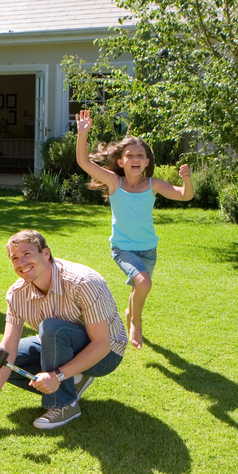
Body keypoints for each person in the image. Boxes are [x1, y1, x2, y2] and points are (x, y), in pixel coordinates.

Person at [0, 230, 127, 430]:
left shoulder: (83, 282)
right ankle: (72, 380)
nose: (21, 262)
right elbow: (7, 347)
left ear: (46, 253)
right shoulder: (16, 294)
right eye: (15, 258)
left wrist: (56, 376)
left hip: (107, 353)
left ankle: (64, 405)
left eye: (27, 254)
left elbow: (102, 343)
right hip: (58, 341)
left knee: (52, 329)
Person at [74, 109, 194, 349]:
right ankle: (135, 320)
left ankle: (131, 311)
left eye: (141, 155)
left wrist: (187, 180)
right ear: (121, 161)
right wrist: (82, 134)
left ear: (147, 162)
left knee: (140, 284)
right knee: (144, 283)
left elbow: (184, 196)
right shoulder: (114, 181)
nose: (136, 159)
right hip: (123, 248)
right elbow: (83, 161)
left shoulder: (154, 184)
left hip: (148, 249)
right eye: (130, 155)